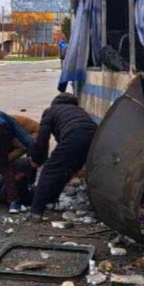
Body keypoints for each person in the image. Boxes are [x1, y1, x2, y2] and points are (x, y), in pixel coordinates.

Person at [28, 93, 97, 221]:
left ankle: (35, 212)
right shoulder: (79, 111)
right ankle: (51, 201)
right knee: (67, 170)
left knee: (49, 171)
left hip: (75, 135)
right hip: (96, 138)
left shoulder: (51, 111)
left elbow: (43, 138)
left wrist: (38, 158)